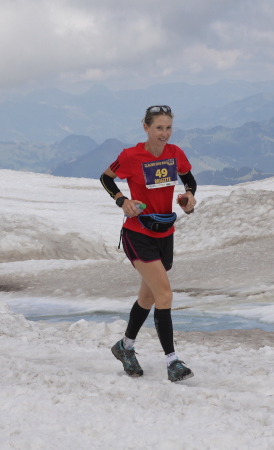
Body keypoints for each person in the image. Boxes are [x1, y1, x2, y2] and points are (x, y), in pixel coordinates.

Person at [99, 105, 197, 382]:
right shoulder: (131, 156)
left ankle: (125, 346)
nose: (164, 133)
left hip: (165, 233)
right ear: (146, 128)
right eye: (158, 128)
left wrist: (189, 196)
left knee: (148, 297)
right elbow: (106, 178)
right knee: (164, 295)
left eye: (168, 128)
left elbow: (189, 179)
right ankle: (172, 362)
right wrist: (122, 200)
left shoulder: (175, 153)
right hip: (138, 234)